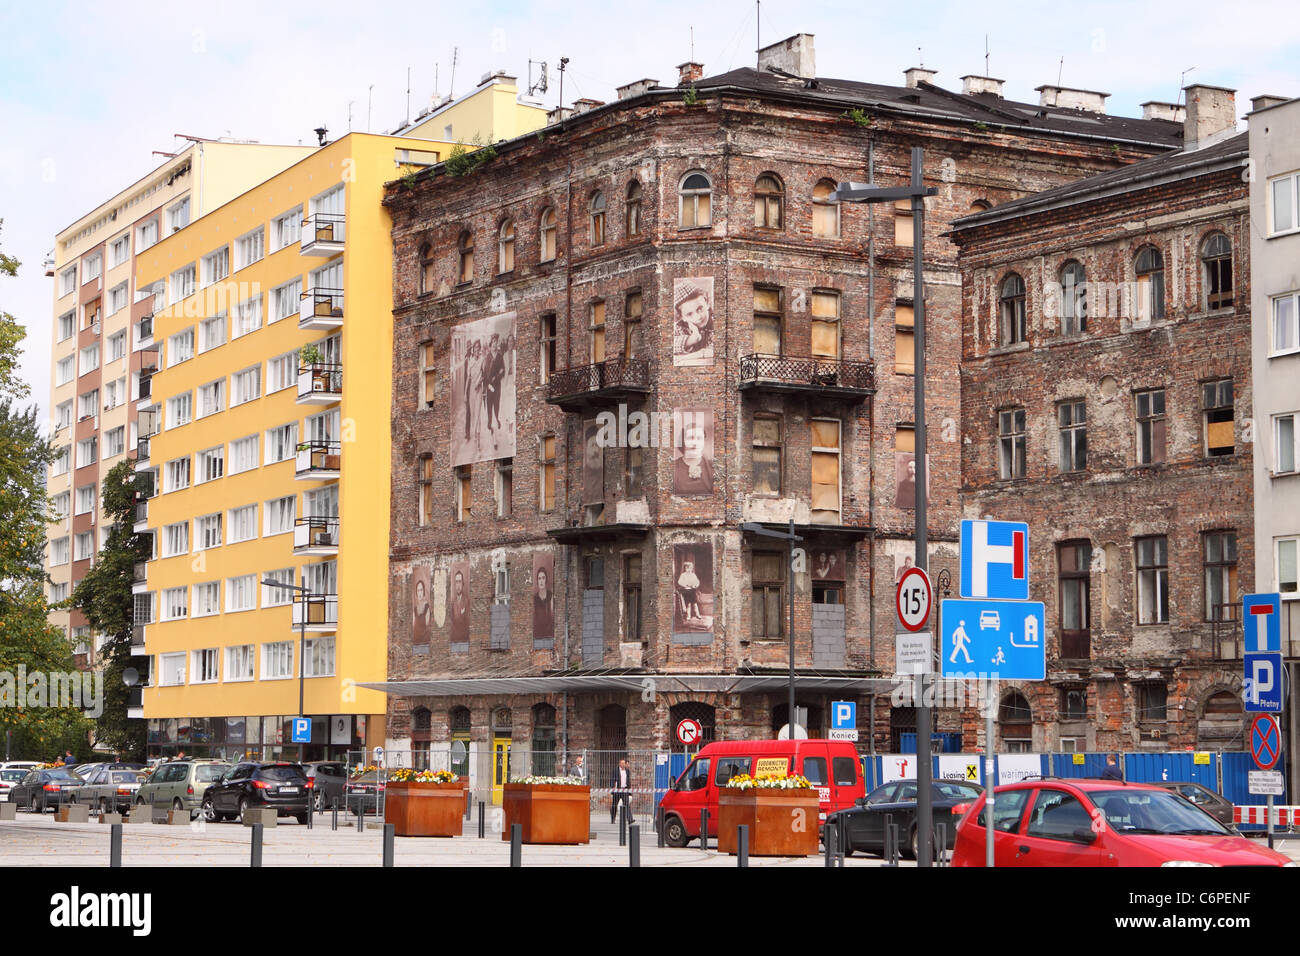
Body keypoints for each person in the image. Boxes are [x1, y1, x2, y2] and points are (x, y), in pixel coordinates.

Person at [673, 280, 714, 363]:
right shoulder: (678, 327)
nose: (698, 317)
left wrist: (684, 358)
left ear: (706, 302)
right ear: (682, 317)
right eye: (689, 314)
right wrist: (692, 339)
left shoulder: (717, 322)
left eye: (700, 309)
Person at [673, 419, 713, 495]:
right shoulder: (672, 468)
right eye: (690, 438)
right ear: (682, 441)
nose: (695, 443)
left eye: (699, 438)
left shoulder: (713, 466)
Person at [677, 559, 701, 625]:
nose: (688, 569)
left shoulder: (693, 575)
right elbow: (680, 582)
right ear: (685, 568)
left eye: (690, 568)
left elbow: (697, 581)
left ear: (692, 568)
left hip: (692, 590)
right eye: (687, 568)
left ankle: (698, 615)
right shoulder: (683, 575)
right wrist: (685, 584)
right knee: (688, 604)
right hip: (686, 591)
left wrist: (695, 585)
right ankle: (688, 616)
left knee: (695, 603)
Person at [533, 567, 554, 639]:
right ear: (537, 581)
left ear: (546, 580)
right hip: (538, 633)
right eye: (539, 578)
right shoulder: (535, 599)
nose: (541, 581)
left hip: (549, 633)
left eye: (543, 578)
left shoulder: (551, 596)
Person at [610, 758, 633, 824]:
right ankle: (613, 818)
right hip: (617, 790)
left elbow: (628, 781)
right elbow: (612, 779)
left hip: (625, 790)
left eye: (624, 763)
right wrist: (612, 787)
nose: (623, 764)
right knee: (614, 805)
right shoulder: (615, 771)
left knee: (627, 804)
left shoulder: (627, 771)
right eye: (622, 763)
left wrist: (629, 790)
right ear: (619, 764)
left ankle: (630, 819)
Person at [450, 569, 469, 644]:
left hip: (464, 638)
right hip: (455, 638)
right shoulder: (452, 603)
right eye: (456, 582)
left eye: (459, 582)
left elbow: (466, 623)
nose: (458, 585)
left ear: (463, 583)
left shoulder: (467, 601)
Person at [412, 576, 432, 645]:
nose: (419, 593)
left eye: (421, 590)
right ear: (416, 593)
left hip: (424, 642)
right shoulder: (414, 609)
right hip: (415, 641)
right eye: (418, 590)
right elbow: (413, 627)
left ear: (423, 591)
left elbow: (427, 628)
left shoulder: (427, 608)